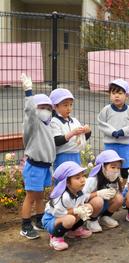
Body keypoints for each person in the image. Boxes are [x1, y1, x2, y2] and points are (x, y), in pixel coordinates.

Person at [19, 73, 56, 240]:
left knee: (40, 196)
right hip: (34, 166)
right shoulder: (33, 124)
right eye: (42, 107)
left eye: (49, 108)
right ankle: (25, 225)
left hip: (44, 167)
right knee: (31, 196)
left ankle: (39, 220)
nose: (46, 111)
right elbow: (30, 112)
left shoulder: (47, 125)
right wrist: (29, 93)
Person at [42, 162, 96, 251]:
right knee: (70, 218)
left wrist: (80, 209)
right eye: (77, 178)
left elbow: (80, 206)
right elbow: (58, 213)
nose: (82, 180)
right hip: (52, 220)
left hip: (65, 218)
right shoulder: (63, 196)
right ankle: (55, 237)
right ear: (67, 182)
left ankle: (74, 230)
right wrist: (76, 210)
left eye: (83, 176)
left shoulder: (79, 192)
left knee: (88, 207)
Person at [98, 79, 129, 180]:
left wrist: (123, 131)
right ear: (109, 95)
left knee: (127, 170)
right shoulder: (106, 110)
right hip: (110, 145)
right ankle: (109, 187)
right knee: (110, 169)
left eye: (120, 93)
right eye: (113, 93)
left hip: (125, 146)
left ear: (127, 95)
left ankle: (125, 188)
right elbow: (101, 123)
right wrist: (112, 132)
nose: (116, 96)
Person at [49, 88, 91, 170]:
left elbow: (82, 138)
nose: (69, 108)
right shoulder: (54, 122)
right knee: (63, 180)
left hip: (76, 156)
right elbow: (57, 141)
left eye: (71, 105)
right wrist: (72, 133)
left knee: (75, 180)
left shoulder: (75, 121)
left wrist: (87, 131)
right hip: (62, 156)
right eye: (65, 105)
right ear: (55, 106)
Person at [83, 150, 124, 232]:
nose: (116, 170)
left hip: (103, 205)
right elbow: (81, 197)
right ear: (102, 167)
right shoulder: (93, 180)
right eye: (113, 167)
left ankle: (105, 217)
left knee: (119, 198)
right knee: (98, 200)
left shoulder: (114, 179)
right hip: (89, 207)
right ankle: (92, 220)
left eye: (118, 168)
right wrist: (97, 194)